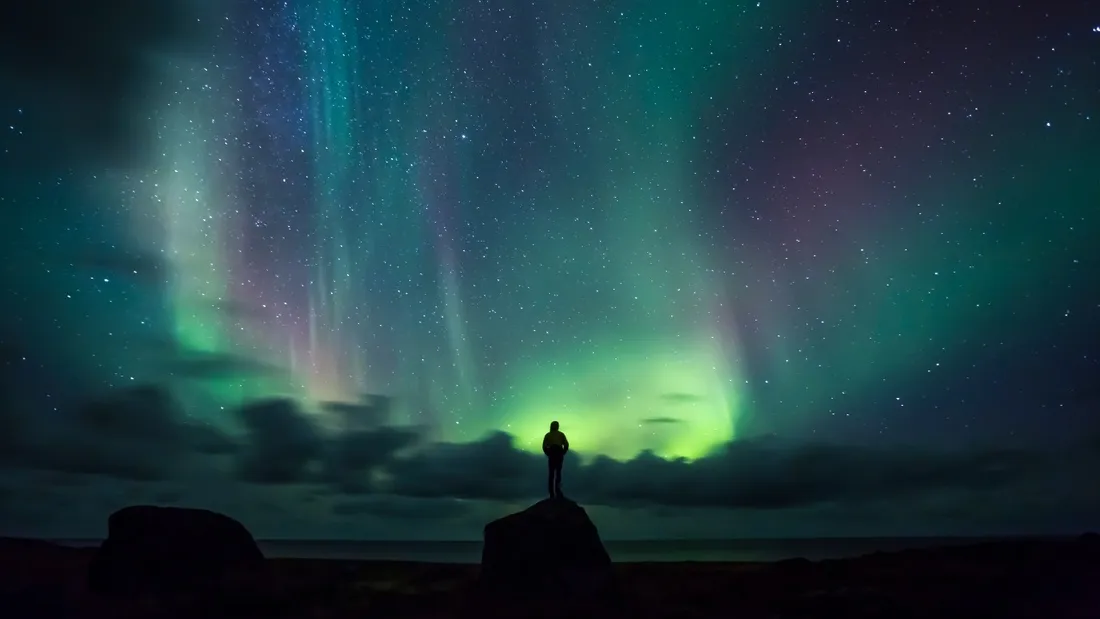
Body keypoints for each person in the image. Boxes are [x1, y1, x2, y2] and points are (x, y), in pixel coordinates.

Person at [542, 420, 569, 498]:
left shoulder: (548, 435)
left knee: (552, 473)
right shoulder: (560, 434)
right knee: (558, 472)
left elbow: (544, 446)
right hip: (558, 453)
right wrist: (563, 452)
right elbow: (566, 445)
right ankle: (557, 491)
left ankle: (552, 493)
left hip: (553, 453)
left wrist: (548, 453)